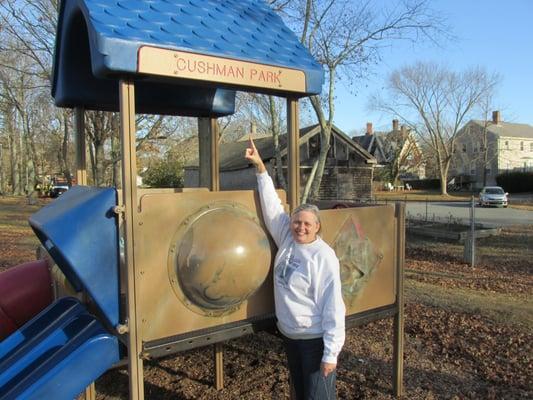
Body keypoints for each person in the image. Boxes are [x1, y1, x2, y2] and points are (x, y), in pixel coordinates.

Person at [245, 137, 345, 400]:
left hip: (313, 340)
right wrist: (260, 169)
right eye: (296, 222)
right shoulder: (287, 239)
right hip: (290, 337)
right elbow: (272, 208)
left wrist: (331, 353)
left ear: (317, 227)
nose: (300, 227)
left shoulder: (323, 257)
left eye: (307, 224)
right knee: (302, 394)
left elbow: (334, 306)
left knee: (318, 397)